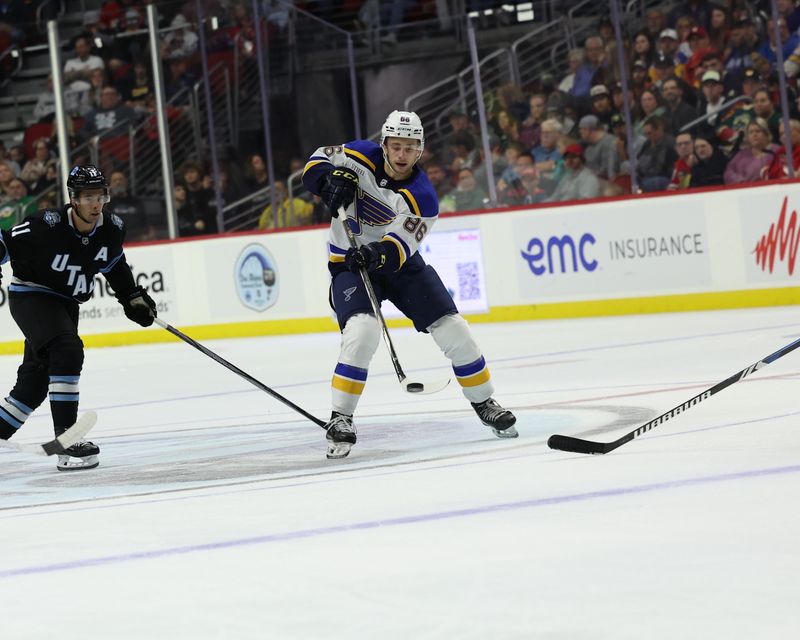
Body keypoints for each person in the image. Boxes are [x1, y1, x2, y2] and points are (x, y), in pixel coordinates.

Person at [301, 110, 517, 459]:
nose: (402, 156)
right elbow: (314, 163)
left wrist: (374, 255)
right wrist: (327, 181)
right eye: (396, 146)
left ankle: (484, 401)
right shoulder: (357, 154)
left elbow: (396, 250)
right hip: (348, 266)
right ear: (384, 144)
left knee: (454, 329)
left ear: (421, 151)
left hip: (398, 266)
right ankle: (341, 417)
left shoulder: (423, 198)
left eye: (410, 148)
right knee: (362, 332)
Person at [0, 165, 157, 471]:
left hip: (66, 304)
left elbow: (114, 264)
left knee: (32, 388)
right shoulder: (46, 225)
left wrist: (132, 297)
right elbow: (6, 244)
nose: (95, 203)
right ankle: (66, 441)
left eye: (100, 195)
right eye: (87, 197)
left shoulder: (112, 229)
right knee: (67, 349)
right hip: (32, 295)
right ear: (72, 198)